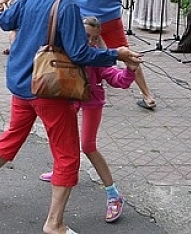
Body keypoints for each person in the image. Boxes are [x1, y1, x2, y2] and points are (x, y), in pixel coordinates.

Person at [0, 0, 142, 234]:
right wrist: (115, 54)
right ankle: (54, 223)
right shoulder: (68, 7)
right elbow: (80, 53)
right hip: (48, 88)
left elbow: (4, 20)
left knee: (12, 135)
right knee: (67, 156)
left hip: (21, 83)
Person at [39, 16, 137, 223]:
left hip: (92, 101)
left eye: (94, 38)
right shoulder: (67, 50)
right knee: (59, 134)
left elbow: (119, 80)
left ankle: (113, 194)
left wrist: (130, 70)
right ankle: (61, 169)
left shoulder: (96, 57)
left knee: (88, 146)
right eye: (85, 36)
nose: (90, 42)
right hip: (71, 99)